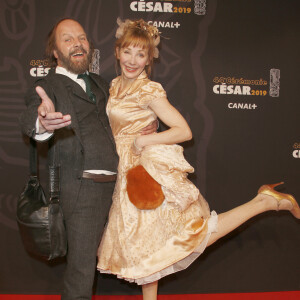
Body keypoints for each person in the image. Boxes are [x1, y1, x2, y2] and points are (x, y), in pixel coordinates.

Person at [96, 19, 300, 300]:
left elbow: (183, 131)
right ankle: (264, 201)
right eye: (127, 51)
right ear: (117, 51)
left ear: (148, 60)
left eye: (140, 54)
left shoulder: (149, 90)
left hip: (144, 171)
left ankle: (263, 202)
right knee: (148, 249)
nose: (133, 60)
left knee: (193, 236)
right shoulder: (115, 85)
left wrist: (145, 139)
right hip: (125, 173)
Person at [19, 18, 157, 300]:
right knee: (82, 272)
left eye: (81, 38)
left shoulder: (103, 83)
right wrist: (42, 123)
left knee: (150, 250)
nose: (77, 44)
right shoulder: (49, 85)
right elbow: (30, 117)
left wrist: (150, 124)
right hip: (84, 190)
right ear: (55, 52)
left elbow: (130, 113)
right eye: (67, 39)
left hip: (123, 188)